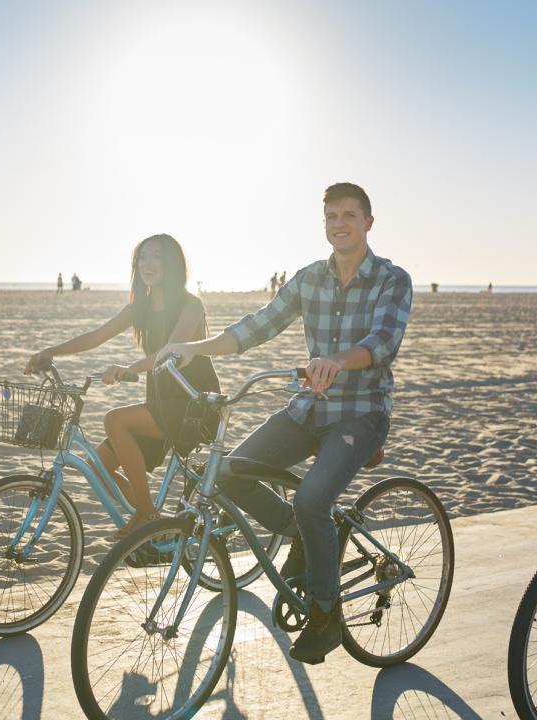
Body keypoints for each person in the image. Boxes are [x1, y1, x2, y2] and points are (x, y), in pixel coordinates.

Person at [157, 182, 412, 664]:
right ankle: (305, 535)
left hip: (363, 412)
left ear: (368, 223)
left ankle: (325, 615)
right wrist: (192, 348)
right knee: (230, 474)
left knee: (312, 497)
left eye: (349, 215)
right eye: (331, 216)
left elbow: (384, 341)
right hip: (308, 408)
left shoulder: (392, 279)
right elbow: (257, 326)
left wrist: (336, 359)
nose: (339, 223)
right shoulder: (309, 277)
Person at [27, 235, 220, 537]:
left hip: (192, 405)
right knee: (98, 470)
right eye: (142, 258)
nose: (148, 263)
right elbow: (95, 336)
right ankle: (156, 520)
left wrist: (128, 369)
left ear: (172, 264)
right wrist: (50, 352)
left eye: (157, 257)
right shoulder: (138, 309)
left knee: (114, 419)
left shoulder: (191, 305)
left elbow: (171, 349)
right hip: (160, 403)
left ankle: (144, 515)